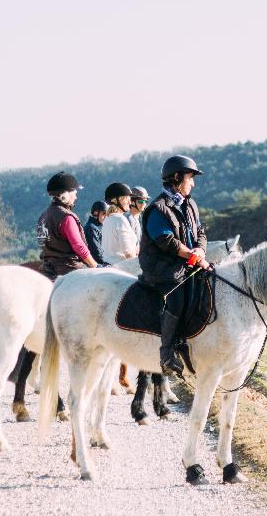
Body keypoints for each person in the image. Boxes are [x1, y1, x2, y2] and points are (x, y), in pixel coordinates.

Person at [138, 155, 209, 376]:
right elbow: (166, 242)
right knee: (176, 299)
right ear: (177, 178)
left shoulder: (191, 205)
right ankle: (167, 354)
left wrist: (200, 250)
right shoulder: (157, 209)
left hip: (186, 265)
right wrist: (193, 255)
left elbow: (200, 233)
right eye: (190, 177)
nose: (193, 183)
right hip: (162, 270)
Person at [36, 171, 98, 281]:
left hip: (47, 272)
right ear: (66, 194)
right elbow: (79, 246)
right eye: (74, 192)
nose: (76, 196)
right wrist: (95, 266)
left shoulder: (43, 216)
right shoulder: (66, 217)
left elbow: (42, 244)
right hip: (70, 271)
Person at [101, 182, 138, 265]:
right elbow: (128, 252)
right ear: (117, 200)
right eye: (127, 199)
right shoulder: (120, 220)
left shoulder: (108, 218)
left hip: (108, 265)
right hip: (121, 267)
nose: (130, 202)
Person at [83, 200, 108, 266]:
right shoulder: (91, 228)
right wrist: (105, 263)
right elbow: (96, 252)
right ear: (96, 213)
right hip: (95, 265)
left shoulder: (94, 227)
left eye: (107, 214)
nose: (106, 217)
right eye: (103, 214)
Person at [126, 186, 149, 250]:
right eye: (141, 201)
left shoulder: (139, 218)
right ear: (132, 202)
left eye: (146, 201)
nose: (144, 204)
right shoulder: (129, 219)